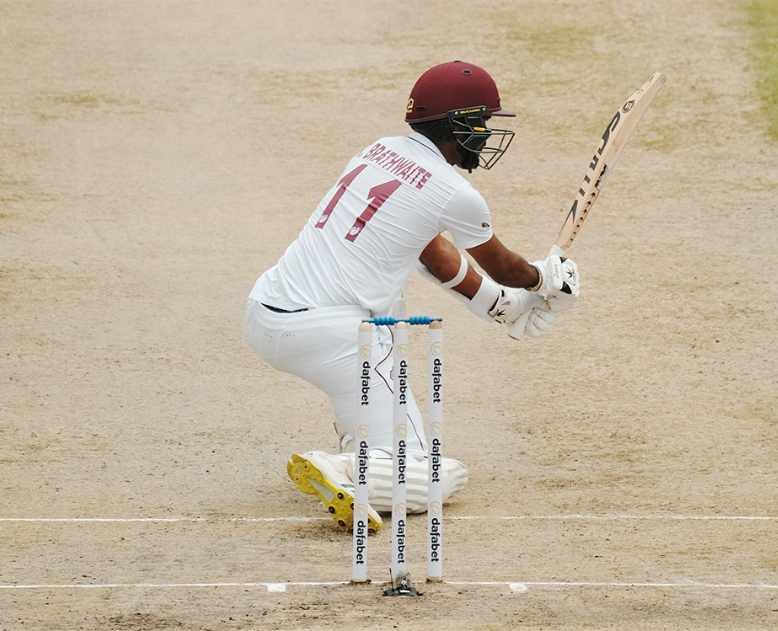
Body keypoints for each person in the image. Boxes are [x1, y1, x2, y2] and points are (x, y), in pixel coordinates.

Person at [245, 61, 580, 533]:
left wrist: (504, 308)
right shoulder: (454, 192)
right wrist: (546, 282)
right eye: (481, 123)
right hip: (340, 337)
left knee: (390, 442)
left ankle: (360, 455)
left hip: (266, 313)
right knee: (429, 481)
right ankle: (341, 465)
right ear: (458, 125)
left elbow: (435, 256)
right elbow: (506, 267)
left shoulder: (379, 150)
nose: (485, 135)